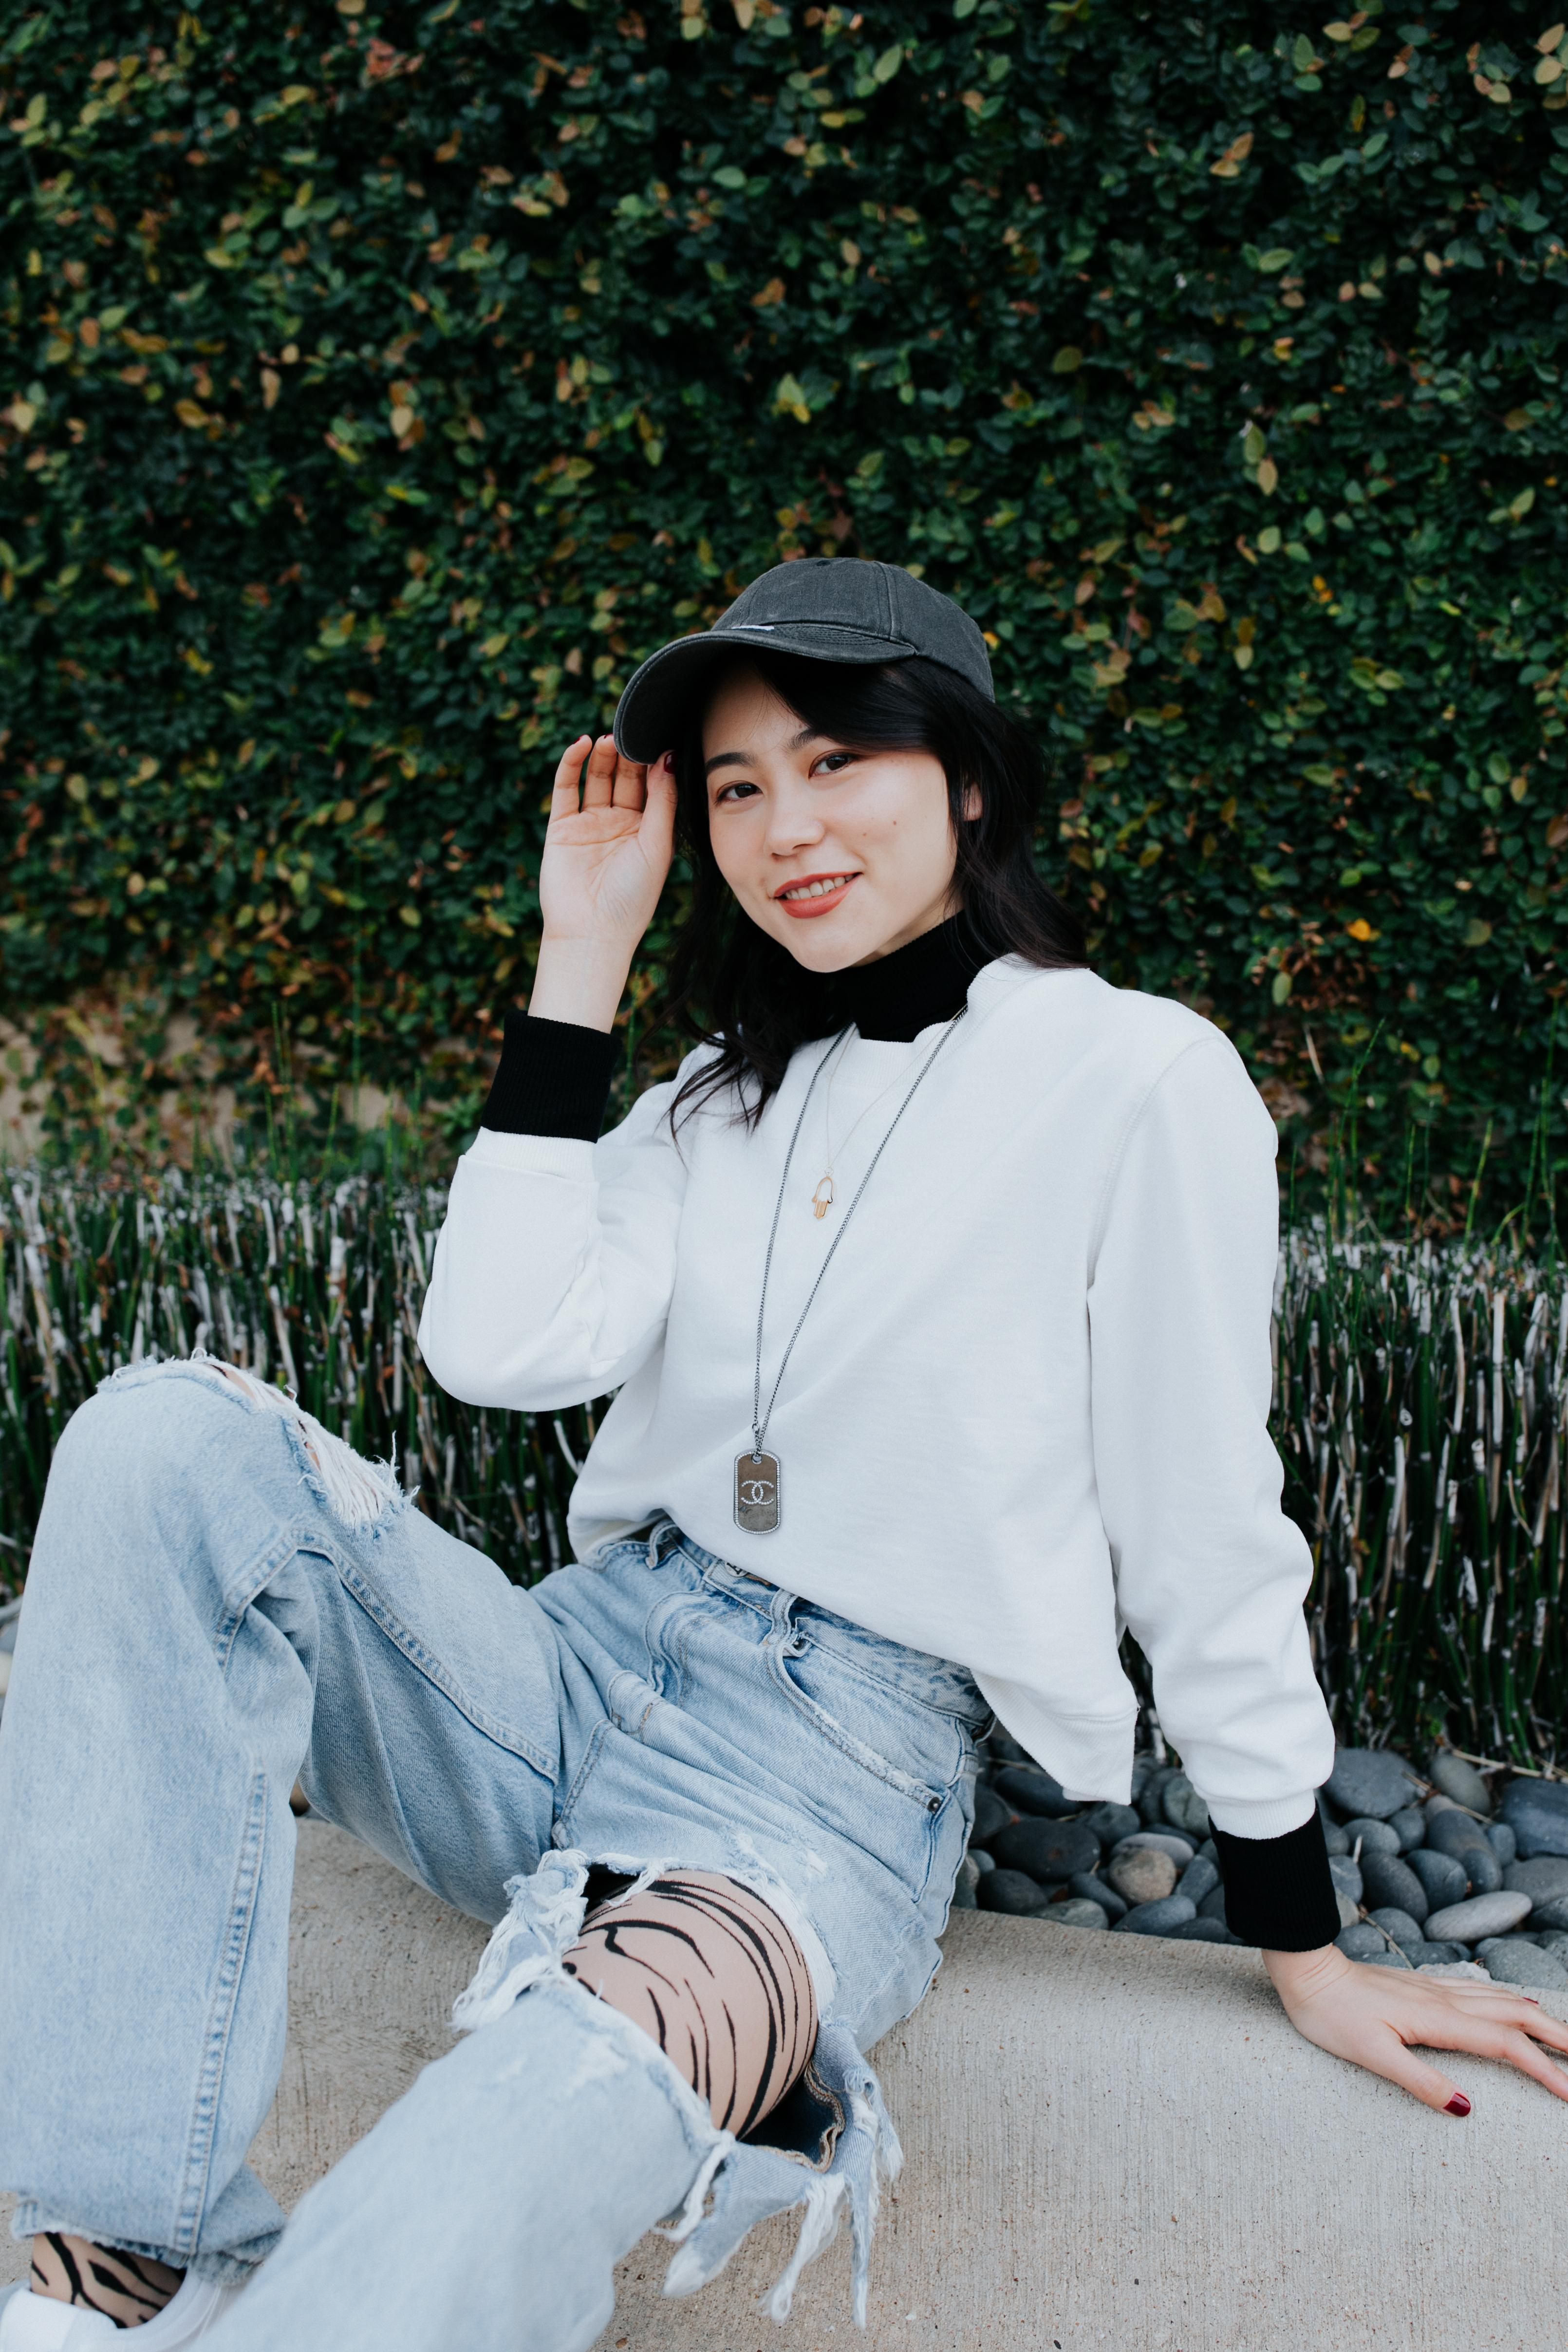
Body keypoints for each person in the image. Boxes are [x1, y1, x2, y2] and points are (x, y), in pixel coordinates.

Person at [0, 560, 1563, 2352]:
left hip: (823, 1783)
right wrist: (577, 962)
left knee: (513, 2129)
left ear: (967, 779)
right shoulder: (707, 1097)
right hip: (566, 1670)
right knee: (162, 1439)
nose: (781, 826)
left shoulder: (1137, 1077)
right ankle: (129, 2257)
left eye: (835, 763)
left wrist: (1298, 1934)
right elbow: (496, 1353)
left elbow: (1200, 1516)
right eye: (736, 787)